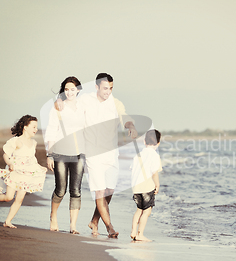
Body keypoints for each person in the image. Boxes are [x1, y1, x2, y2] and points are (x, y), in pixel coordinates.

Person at [55, 73, 137, 237]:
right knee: (99, 192)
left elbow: (124, 116)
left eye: (111, 88)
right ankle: (110, 228)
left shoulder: (115, 102)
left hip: (112, 153)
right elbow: (70, 100)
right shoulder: (86, 100)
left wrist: (130, 125)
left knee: (109, 192)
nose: (108, 91)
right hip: (92, 153)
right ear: (97, 87)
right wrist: (60, 99)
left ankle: (94, 220)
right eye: (105, 88)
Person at [0, 115, 47, 228]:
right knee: (8, 197)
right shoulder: (16, 141)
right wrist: (10, 163)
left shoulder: (33, 143)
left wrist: (39, 167)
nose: (36, 129)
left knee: (20, 198)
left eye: (36, 127)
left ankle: (8, 221)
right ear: (25, 127)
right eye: (33, 127)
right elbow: (5, 154)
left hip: (26, 174)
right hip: (15, 172)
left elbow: (32, 159)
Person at [45, 76, 85, 234]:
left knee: (76, 190)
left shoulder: (83, 107)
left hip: (79, 153)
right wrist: (49, 154)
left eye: (72, 89)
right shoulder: (58, 107)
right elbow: (51, 131)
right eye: (66, 89)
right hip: (60, 153)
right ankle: (53, 216)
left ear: (78, 90)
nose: (69, 92)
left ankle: (73, 226)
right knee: (61, 189)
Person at [130, 129, 162, 242]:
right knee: (147, 211)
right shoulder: (154, 156)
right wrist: (157, 185)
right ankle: (140, 234)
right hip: (147, 187)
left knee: (139, 210)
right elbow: (154, 172)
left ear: (144, 141)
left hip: (136, 187)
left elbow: (132, 170)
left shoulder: (138, 155)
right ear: (158, 143)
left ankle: (133, 231)